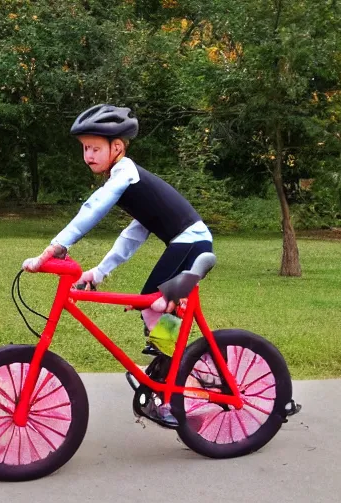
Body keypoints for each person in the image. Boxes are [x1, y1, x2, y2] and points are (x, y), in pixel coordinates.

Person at [22, 104, 213, 426]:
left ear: (118, 148)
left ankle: (174, 395)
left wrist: (55, 248)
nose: (88, 155)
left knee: (154, 306)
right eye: (85, 148)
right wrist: (100, 271)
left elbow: (93, 207)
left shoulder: (125, 172)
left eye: (95, 148)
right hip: (187, 243)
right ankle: (168, 370)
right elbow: (134, 234)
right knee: (154, 308)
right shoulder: (129, 182)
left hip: (192, 243)